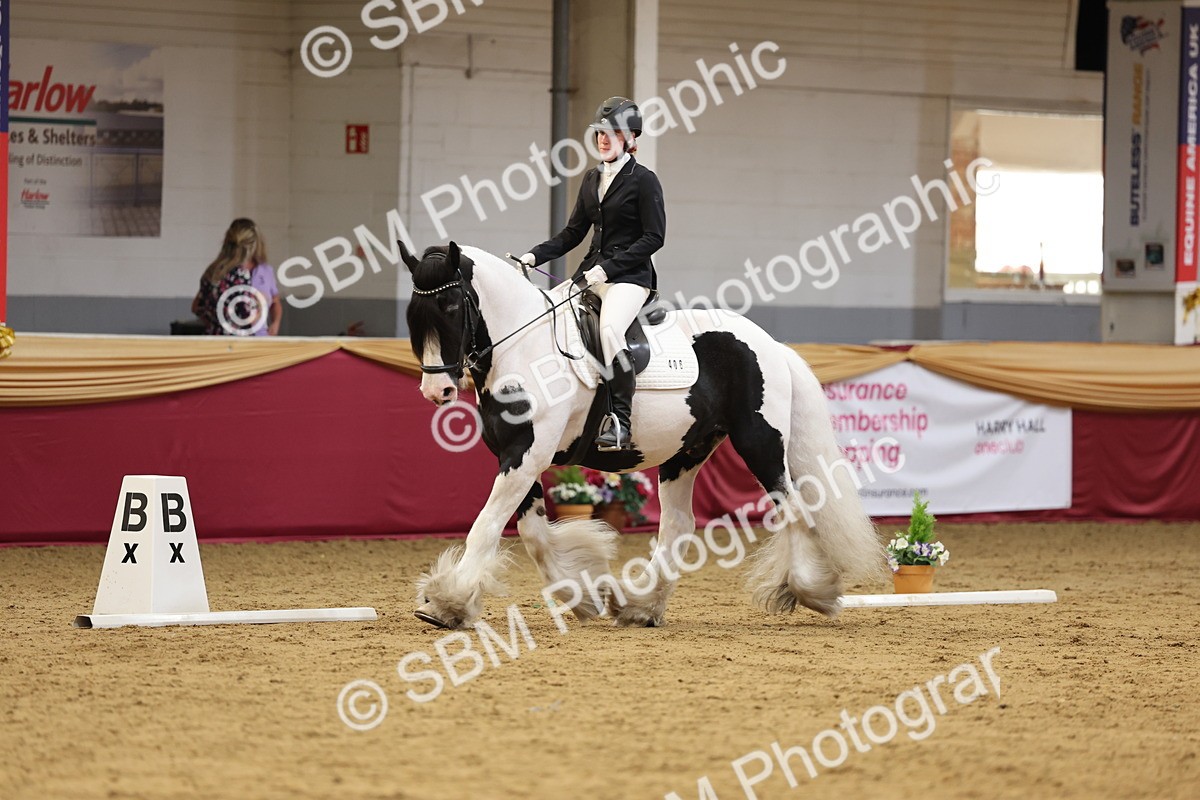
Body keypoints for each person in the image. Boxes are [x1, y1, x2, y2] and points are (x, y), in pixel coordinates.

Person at [519, 96, 666, 452]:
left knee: (610, 330)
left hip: (629, 278)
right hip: (590, 274)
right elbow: (573, 233)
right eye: (600, 132)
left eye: (611, 133)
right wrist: (534, 255)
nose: (603, 139)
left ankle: (620, 422)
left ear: (630, 138)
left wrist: (608, 269)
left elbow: (654, 237)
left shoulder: (644, 180)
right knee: (547, 316)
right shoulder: (592, 178)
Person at [192, 218, 282, 336]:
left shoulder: (214, 270)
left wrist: (275, 323)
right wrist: (261, 306)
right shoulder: (238, 275)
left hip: (219, 338)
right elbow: (248, 318)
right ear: (255, 244)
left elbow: (198, 307)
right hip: (239, 341)